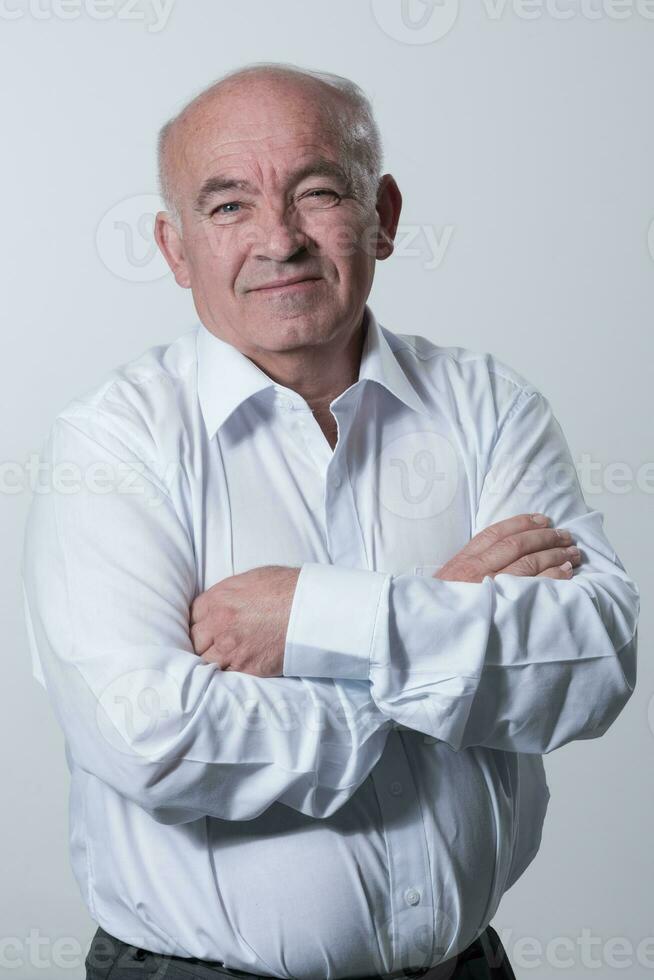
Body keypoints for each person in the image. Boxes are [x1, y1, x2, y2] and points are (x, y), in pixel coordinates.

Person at [21, 62, 640, 980]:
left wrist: (311, 620)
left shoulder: (488, 406)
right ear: (175, 247)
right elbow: (152, 736)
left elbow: (590, 664)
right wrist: (437, 625)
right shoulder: (114, 442)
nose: (280, 240)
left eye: (317, 193)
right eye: (227, 206)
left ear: (383, 215)